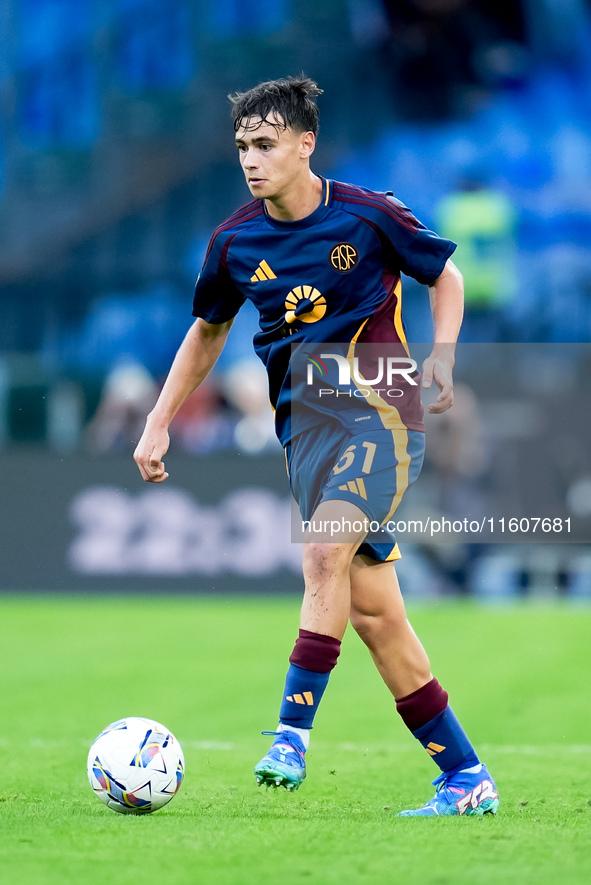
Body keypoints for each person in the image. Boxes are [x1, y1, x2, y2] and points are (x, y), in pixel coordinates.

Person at [133, 76, 499, 817]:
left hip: (383, 408)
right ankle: (465, 776)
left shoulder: (368, 216)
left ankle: (291, 734)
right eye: (242, 147)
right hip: (306, 429)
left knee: (323, 551)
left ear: (305, 145)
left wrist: (443, 355)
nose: (251, 160)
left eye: (265, 145)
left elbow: (446, 275)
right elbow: (206, 331)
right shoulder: (234, 241)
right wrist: (158, 418)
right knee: (373, 615)